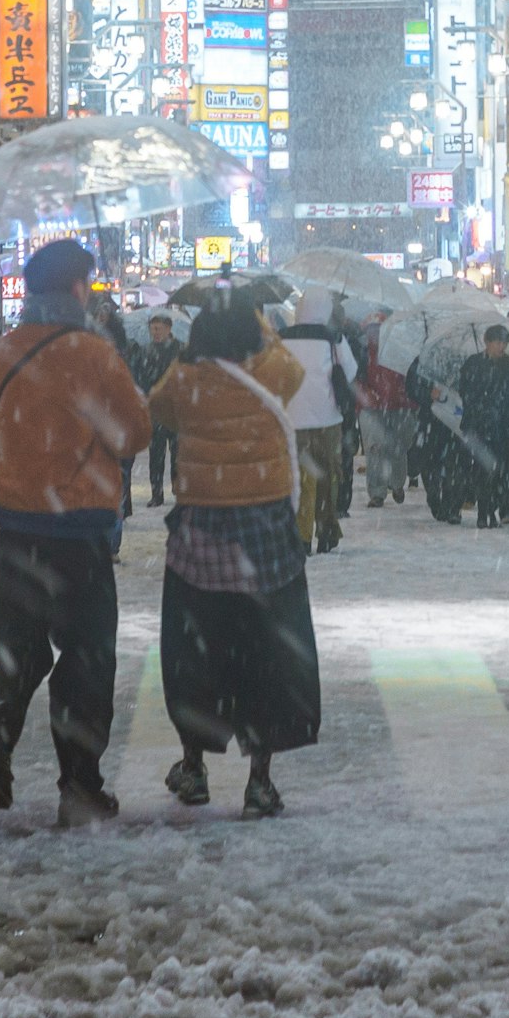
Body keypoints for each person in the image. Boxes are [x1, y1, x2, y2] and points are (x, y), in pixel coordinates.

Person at [0, 238, 151, 825]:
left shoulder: (5, 351)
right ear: (79, 288)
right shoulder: (93, 353)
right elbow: (132, 435)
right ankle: (79, 785)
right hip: (79, 531)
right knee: (86, 657)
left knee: (19, 650)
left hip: (18, 527)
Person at [146, 296, 323, 817]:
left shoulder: (184, 377)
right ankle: (259, 781)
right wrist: (261, 323)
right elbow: (290, 368)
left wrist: (189, 354)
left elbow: (157, 410)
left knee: (195, 650)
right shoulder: (273, 368)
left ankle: (194, 766)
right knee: (265, 651)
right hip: (264, 528)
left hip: (203, 526)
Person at [273, 285, 359, 554]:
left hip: (293, 419)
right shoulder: (334, 338)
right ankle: (327, 530)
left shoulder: (282, 337)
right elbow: (352, 371)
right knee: (328, 476)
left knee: (300, 478)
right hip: (328, 418)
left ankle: (301, 534)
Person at [452, 328, 509, 528]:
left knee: (497, 470)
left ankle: (490, 509)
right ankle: (483, 511)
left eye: (504, 343)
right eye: (497, 342)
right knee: (480, 469)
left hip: (502, 428)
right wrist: (482, 406)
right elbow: (465, 392)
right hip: (477, 426)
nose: (501, 346)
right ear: (487, 342)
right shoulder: (473, 364)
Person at [123, 309, 181, 513]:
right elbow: (139, 377)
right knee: (155, 454)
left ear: (168, 329)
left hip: (175, 411)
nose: (156, 332)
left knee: (177, 454)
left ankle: (178, 488)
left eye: (159, 328)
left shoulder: (179, 351)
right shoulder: (145, 351)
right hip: (154, 409)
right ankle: (156, 493)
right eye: (153, 329)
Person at [359, 347, 417, 505]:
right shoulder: (365, 352)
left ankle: (397, 483)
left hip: (401, 405)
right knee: (375, 448)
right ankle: (377, 493)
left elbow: (414, 377)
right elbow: (356, 376)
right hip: (373, 407)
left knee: (399, 447)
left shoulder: (406, 352)